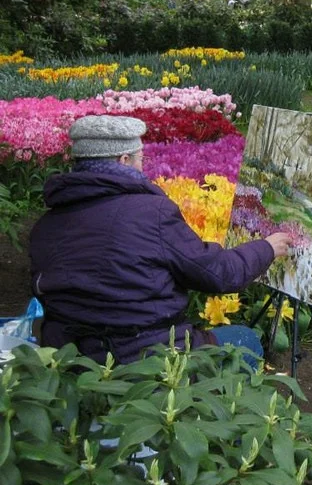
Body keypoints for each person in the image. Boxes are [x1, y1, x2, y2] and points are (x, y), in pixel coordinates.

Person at [29, 115, 293, 365]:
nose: (143, 166)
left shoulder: (46, 225)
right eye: (140, 158)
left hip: (71, 359)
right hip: (141, 358)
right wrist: (266, 248)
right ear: (123, 160)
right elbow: (218, 273)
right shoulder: (150, 213)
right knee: (246, 341)